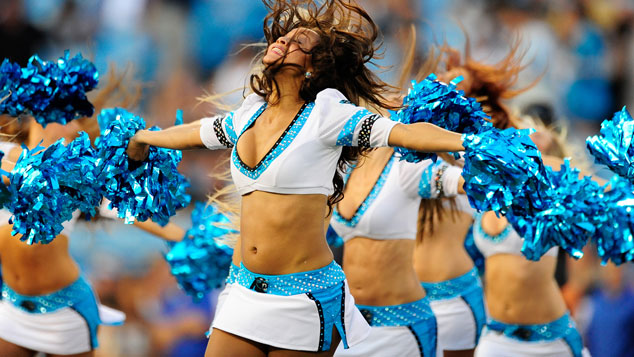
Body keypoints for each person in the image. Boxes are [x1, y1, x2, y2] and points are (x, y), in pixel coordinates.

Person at [126, 1, 466, 355]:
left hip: (303, 297)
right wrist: (144, 138)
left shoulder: (327, 114)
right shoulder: (248, 113)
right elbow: (196, 132)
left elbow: (403, 134)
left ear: (313, 66)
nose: (282, 42)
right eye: (283, 37)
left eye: (297, 43)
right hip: (243, 292)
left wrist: (471, 144)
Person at [413, 43, 533, 357]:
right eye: (445, 77)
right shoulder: (408, 138)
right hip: (401, 301)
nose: (445, 84)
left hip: (453, 298)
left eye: (457, 83)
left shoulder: (474, 157)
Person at [330, 146, 466, 357]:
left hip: (401, 328)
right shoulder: (346, 163)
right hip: (349, 325)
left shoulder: (410, 165)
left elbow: (463, 182)